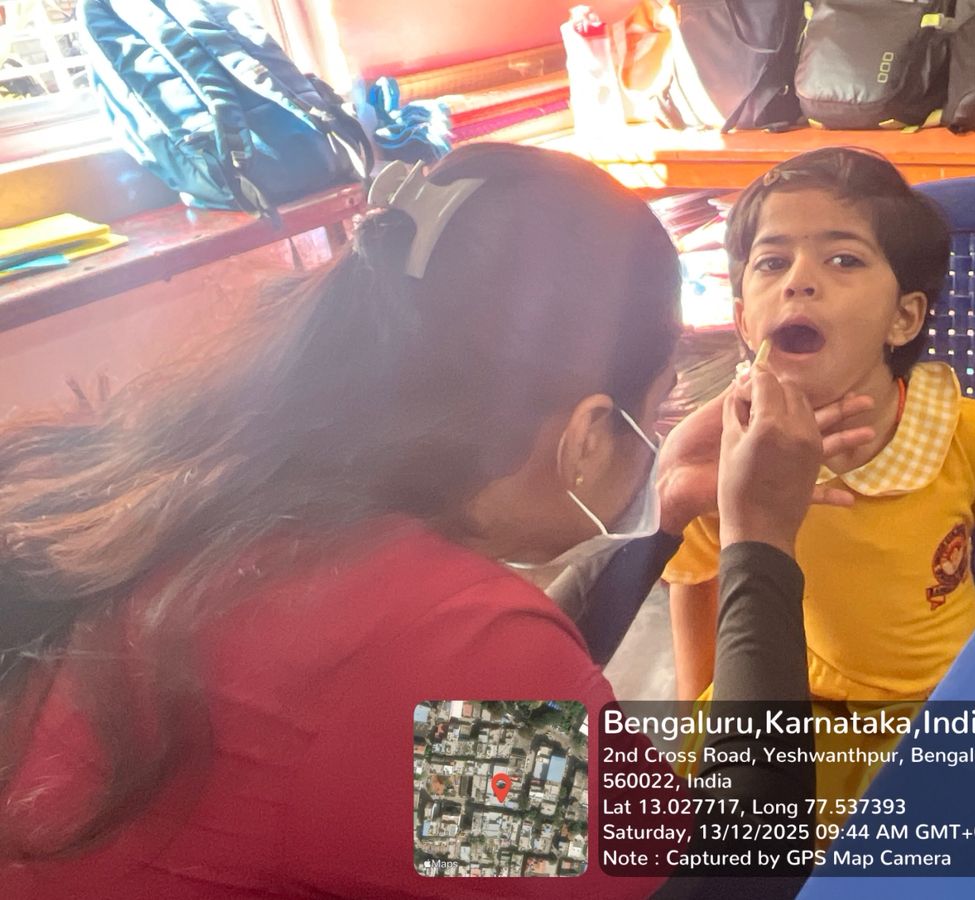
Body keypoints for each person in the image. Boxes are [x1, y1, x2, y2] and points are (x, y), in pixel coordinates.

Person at [0, 144, 872, 898]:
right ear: (586, 433)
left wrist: (665, 517)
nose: (658, 439)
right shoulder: (438, 648)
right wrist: (761, 539)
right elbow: (739, 876)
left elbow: (472, 753)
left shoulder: (247, 493)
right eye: (656, 410)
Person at [664, 148, 975, 807]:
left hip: (945, 705)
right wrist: (700, 728)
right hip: (805, 704)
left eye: (842, 258)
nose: (798, 280)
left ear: (904, 318)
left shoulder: (971, 435)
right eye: (772, 261)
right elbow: (696, 579)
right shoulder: (732, 449)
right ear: (743, 322)